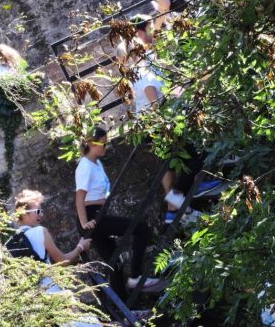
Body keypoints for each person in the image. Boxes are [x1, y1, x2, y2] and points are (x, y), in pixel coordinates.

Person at [75, 127, 165, 293]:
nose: (105, 147)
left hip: (97, 214)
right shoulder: (85, 166)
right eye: (102, 143)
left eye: (106, 143)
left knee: (114, 261)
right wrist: (84, 223)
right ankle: (136, 277)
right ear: (90, 144)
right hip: (91, 218)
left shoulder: (96, 163)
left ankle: (122, 308)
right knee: (140, 228)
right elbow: (80, 198)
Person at [9, 190, 102, 327]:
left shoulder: (12, 241)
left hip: (31, 297)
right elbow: (63, 261)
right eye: (37, 211)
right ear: (24, 213)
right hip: (50, 290)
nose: (41, 214)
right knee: (89, 323)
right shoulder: (40, 231)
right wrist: (80, 247)